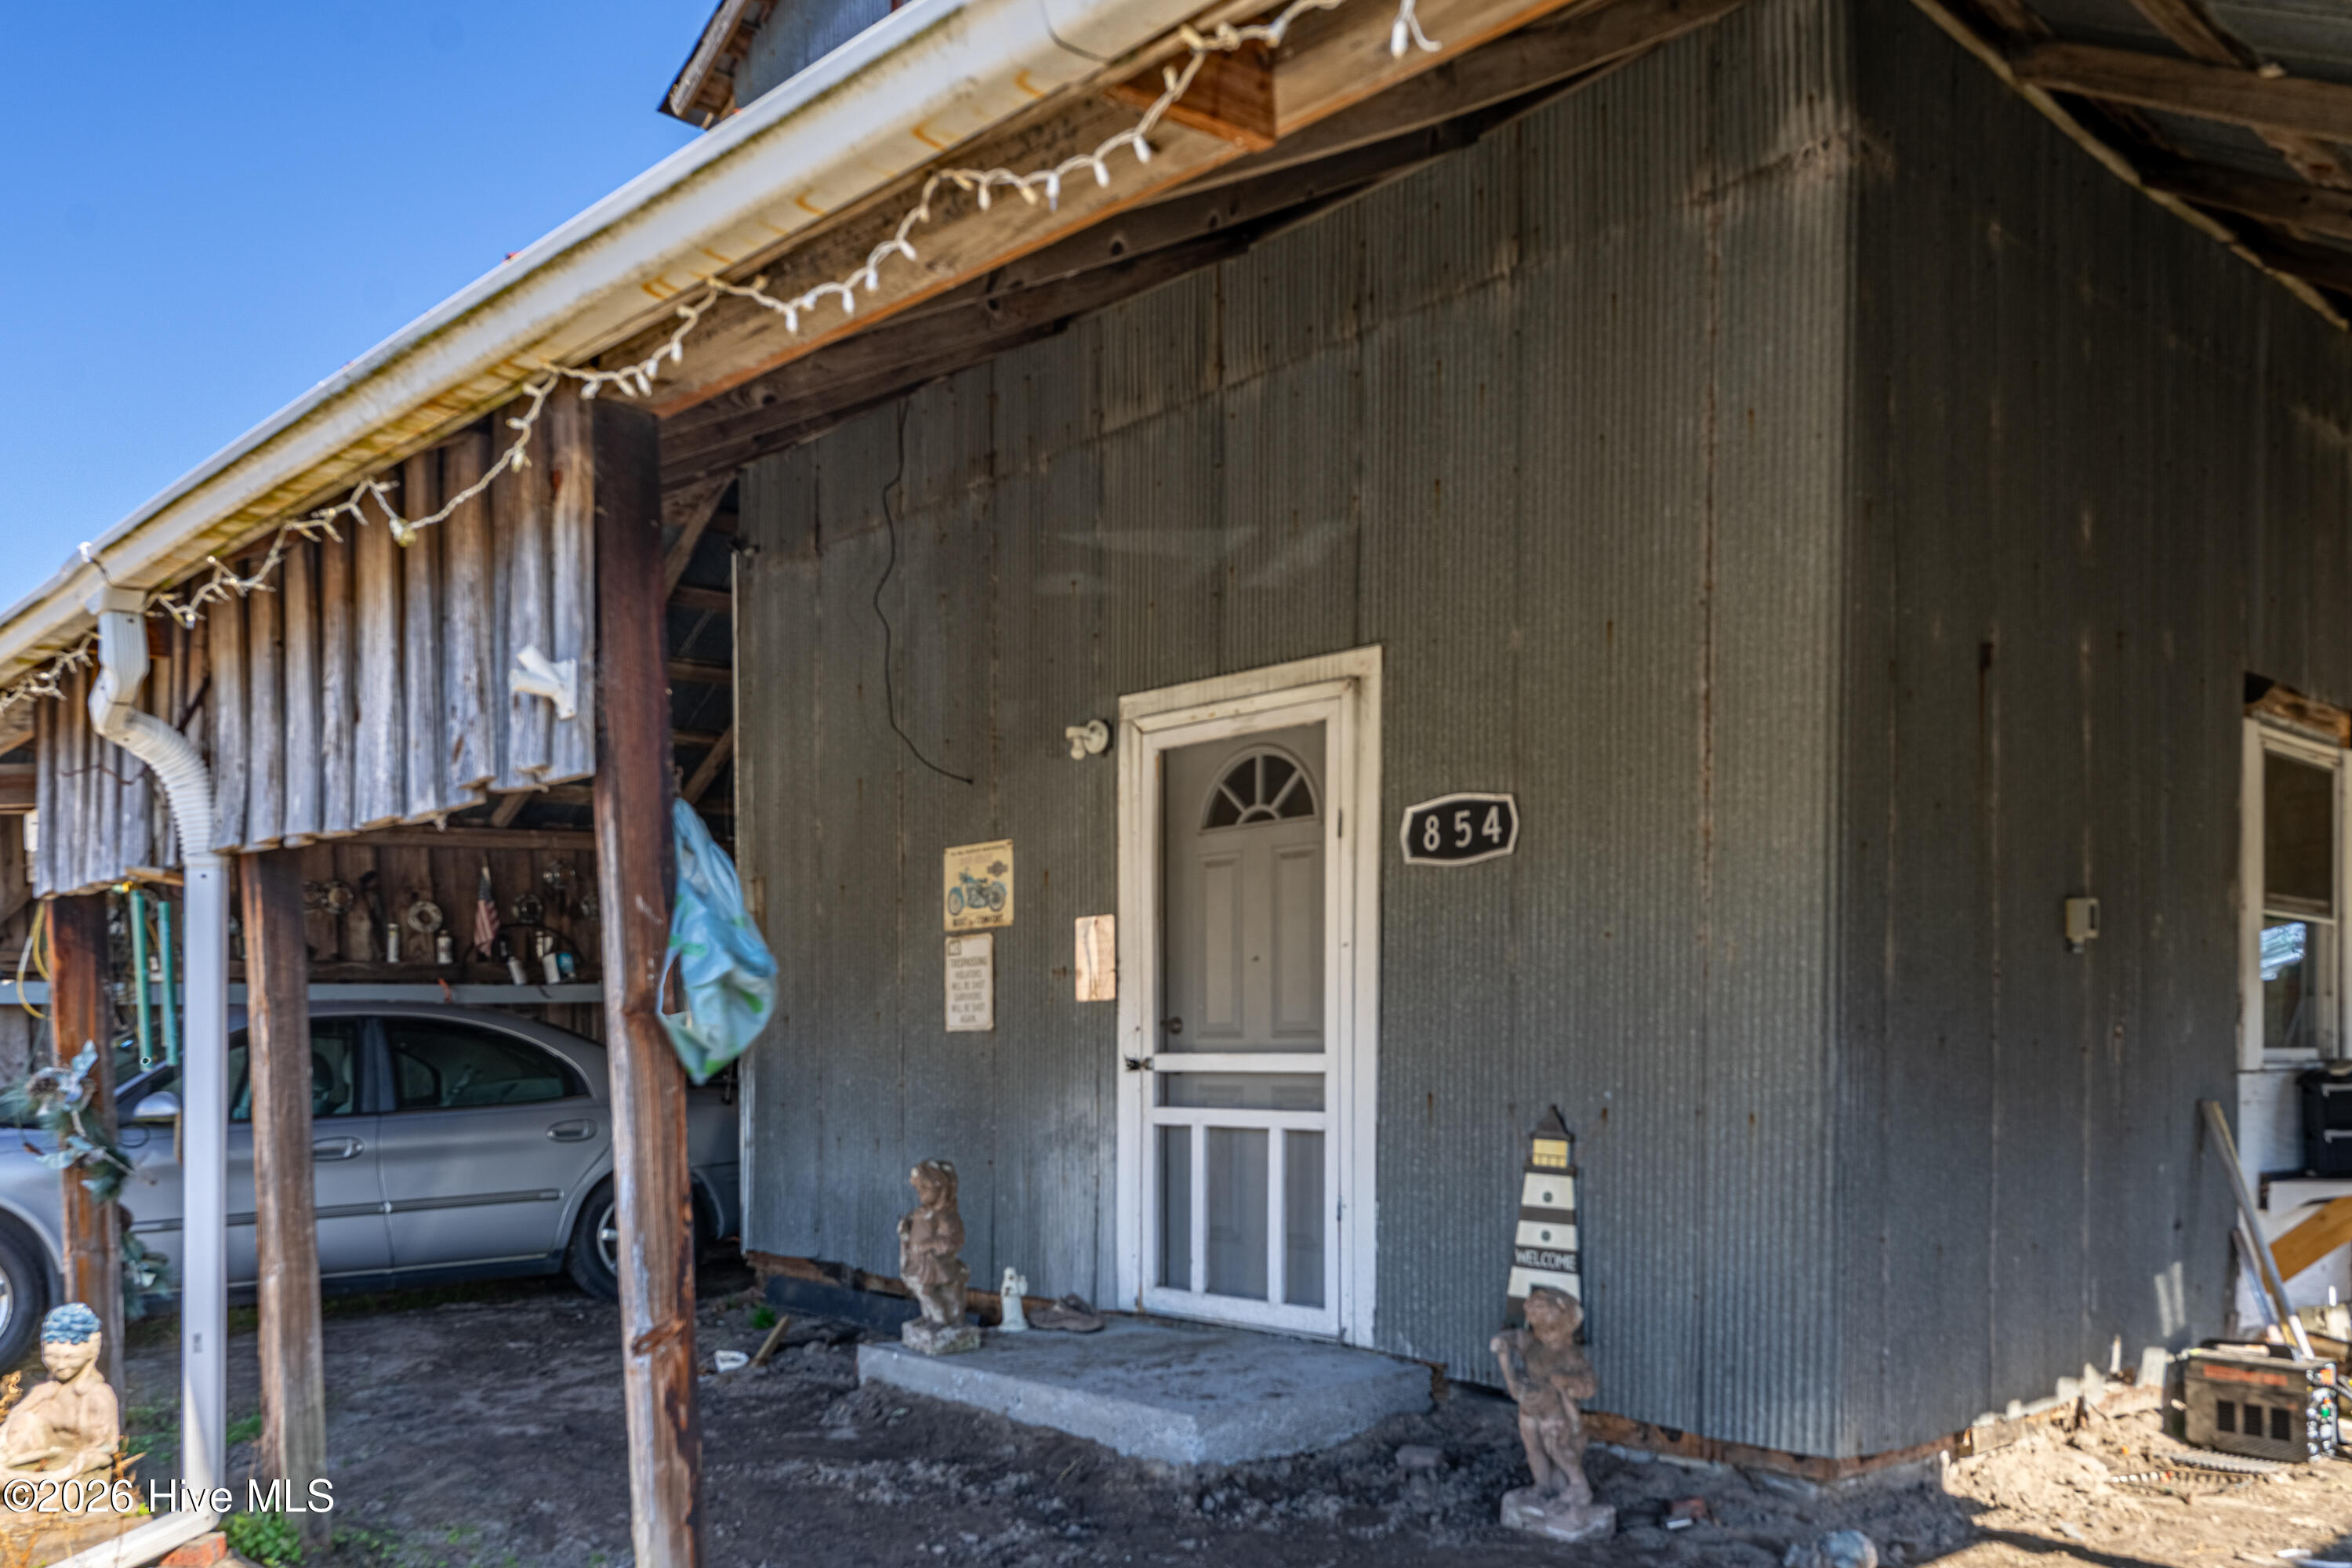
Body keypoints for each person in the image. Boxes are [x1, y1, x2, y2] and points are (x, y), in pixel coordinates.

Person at [0, 1304, 119, 1481]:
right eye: (52, 1357)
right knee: (25, 1420)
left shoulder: (97, 1395)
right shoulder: (43, 1392)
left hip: (80, 1475)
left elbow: (104, 1449)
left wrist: (65, 1473)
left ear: (93, 1348)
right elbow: (8, 1434)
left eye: (71, 1357)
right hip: (36, 1469)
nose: (61, 1365)